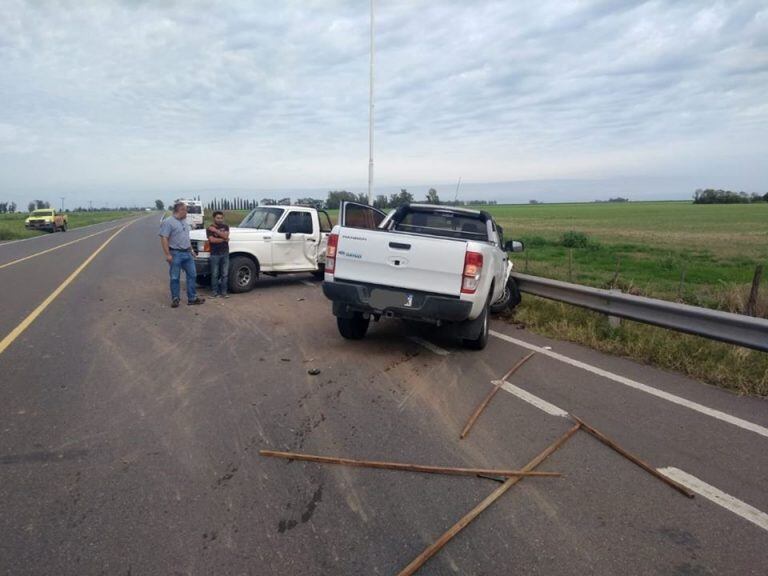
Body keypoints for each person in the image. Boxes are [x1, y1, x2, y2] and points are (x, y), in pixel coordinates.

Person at [159, 202, 205, 308]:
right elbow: (164, 238)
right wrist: (167, 254)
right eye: (186, 210)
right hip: (175, 253)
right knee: (175, 277)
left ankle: (192, 298)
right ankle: (175, 298)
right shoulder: (168, 222)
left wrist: (191, 249)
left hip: (187, 253)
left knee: (192, 275)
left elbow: (186, 237)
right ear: (180, 210)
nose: (187, 212)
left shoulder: (184, 222)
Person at [207, 211, 230, 298]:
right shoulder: (209, 228)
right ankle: (214, 293)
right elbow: (212, 240)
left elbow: (226, 236)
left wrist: (216, 231)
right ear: (214, 218)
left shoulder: (226, 227)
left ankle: (224, 292)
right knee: (215, 274)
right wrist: (224, 239)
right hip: (215, 254)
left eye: (221, 218)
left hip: (225, 253)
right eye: (218, 218)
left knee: (225, 274)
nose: (220, 220)